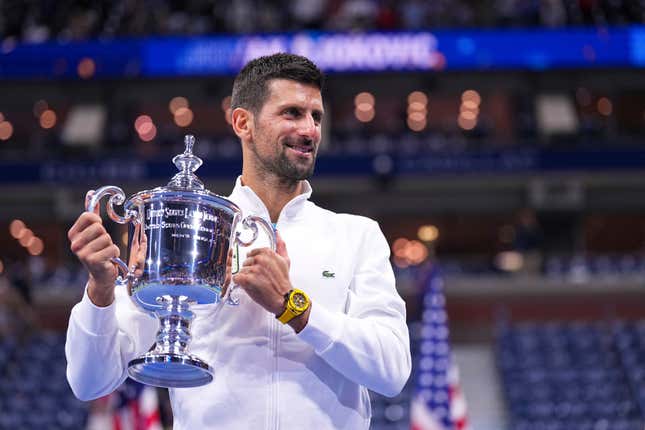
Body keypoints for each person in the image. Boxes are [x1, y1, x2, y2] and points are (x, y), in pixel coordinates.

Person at [65, 53, 411, 429]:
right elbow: (89, 382)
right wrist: (99, 292)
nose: (310, 130)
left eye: (316, 117)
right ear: (243, 122)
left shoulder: (356, 235)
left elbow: (391, 370)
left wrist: (294, 309)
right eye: (292, 113)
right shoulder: (189, 227)